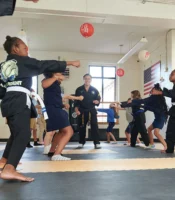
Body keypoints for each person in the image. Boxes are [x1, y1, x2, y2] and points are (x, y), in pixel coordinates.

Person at [0, 35, 80, 182]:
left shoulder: (3, 66)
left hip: (7, 102)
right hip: (19, 100)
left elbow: (1, 90)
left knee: (15, 133)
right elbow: (44, 64)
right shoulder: (23, 61)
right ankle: (10, 169)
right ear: (15, 49)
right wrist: (70, 62)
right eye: (24, 47)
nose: (27, 49)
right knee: (23, 135)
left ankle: (4, 161)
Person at [43, 72, 84, 161]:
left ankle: (52, 151)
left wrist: (62, 105)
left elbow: (55, 98)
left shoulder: (56, 85)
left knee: (61, 131)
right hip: (54, 110)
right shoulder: (50, 82)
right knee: (69, 132)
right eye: (61, 74)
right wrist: (78, 98)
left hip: (55, 109)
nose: (63, 76)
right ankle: (57, 154)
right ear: (55, 74)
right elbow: (44, 84)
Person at [127, 84, 168, 150]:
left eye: (153, 90)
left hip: (161, 117)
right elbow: (147, 106)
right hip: (157, 117)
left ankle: (166, 146)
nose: (152, 91)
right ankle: (152, 144)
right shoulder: (155, 98)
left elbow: (144, 102)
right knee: (149, 129)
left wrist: (132, 101)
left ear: (157, 91)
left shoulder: (156, 98)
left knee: (156, 133)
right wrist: (142, 110)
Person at [75, 74, 101, 149]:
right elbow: (76, 102)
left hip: (91, 111)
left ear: (91, 80)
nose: (87, 80)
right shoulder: (79, 89)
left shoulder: (95, 90)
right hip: (82, 111)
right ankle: (81, 142)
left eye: (89, 79)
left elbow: (98, 99)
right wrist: (77, 110)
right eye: (86, 78)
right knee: (81, 127)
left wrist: (97, 102)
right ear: (83, 79)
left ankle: (97, 143)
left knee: (94, 127)